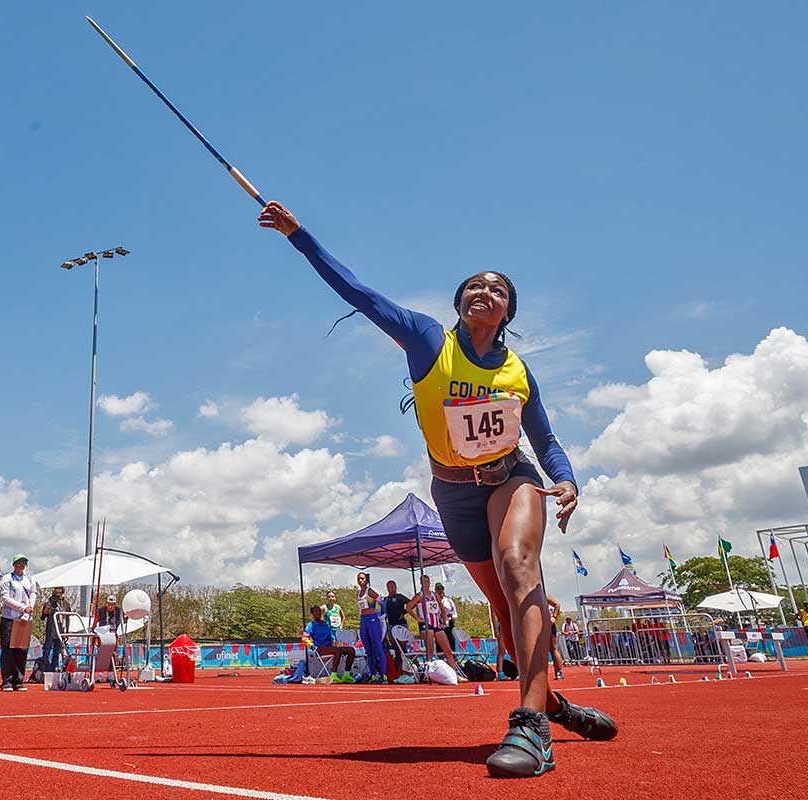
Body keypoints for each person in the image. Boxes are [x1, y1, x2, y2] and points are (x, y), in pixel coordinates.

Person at [260, 201, 617, 778]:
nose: (484, 291)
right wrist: (299, 236)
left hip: (512, 477)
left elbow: (546, 441)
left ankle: (529, 727)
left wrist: (567, 479)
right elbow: (360, 294)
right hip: (453, 492)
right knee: (502, 609)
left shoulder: (519, 372)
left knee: (518, 565)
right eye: (474, 286)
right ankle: (551, 703)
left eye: (497, 289)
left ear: (508, 311)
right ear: (459, 303)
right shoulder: (429, 342)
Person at [407, 578, 462, 679]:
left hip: (436, 624)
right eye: (424, 582)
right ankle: (429, 675)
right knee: (430, 651)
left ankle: (453, 674)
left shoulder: (434, 594)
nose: (426, 584)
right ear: (421, 583)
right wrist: (418, 618)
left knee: (448, 651)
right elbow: (408, 607)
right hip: (426, 624)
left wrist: (445, 622)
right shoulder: (420, 596)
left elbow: (442, 609)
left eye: (427, 581)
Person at [0, 554, 38, 692]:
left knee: (21, 650)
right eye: (19, 563)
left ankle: (18, 680)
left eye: (24, 563)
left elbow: (33, 594)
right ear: (14, 564)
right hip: (10, 618)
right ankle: (7, 682)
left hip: (25, 618)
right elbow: (5, 598)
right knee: (8, 649)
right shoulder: (7, 579)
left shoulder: (30, 579)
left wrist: (29, 609)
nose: (21, 565)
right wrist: (22, 607)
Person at [303, 605, 356, 682]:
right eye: (316, 611)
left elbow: (331, 636)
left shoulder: (325, 624)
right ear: (312, 614)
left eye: (319, 611)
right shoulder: (311, 625)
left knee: (351, 650)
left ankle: (346, 674)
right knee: (337, 651)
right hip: (320, 649)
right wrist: (314, 648)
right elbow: (304, 638)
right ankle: (333, 675)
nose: (318, 613)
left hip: (330, 647)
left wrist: (335, 641)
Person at [355, 572, 387, 683]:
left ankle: (383, 675)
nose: (360, 581)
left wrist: (382, 616)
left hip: (373, 620)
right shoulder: (358, 593)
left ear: (366, 580)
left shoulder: (370, 591)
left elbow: (382, 604)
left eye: (362, 579)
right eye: (359, 579)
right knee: (368, 650)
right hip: (363, 621)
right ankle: (373, 674)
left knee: (378, 648)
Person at [382, 579, 411, 673]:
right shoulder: (386, 599)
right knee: (395, 647)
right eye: (389, 587)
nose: (391, 589)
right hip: (390, 624)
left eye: (392, 586)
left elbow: (411, 603)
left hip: (400, 624)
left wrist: (404, 612)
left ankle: (411, 665)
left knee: (403, 647)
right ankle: (398, 666)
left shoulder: (400, 597)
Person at [40, 585, 71, 671]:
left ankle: (54, 669)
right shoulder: (49, 602)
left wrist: (67, 632)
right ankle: (43, 670)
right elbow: (42, 617)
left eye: (60, 589)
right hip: (51, 630)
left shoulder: (66, 604)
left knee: (57, 652)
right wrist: (47, 608)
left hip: (60, 632)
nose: (58, 591)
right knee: (47, 650)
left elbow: (68, 619)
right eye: (56, 589)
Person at [545, 595, 565, 680]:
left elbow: (557, 604)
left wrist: (554, 616)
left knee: (553, 648)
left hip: (548, 624)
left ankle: (559, 671)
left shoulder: (543, 594)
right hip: (534, 624)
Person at [436, 584, 460, 653]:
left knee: (451, 642)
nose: (440, 591)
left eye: (441, 589)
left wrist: (450, 616)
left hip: (449, 625)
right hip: (439, 624)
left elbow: (455, 614)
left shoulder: (449, 601)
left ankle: (453, 660)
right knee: (440, 644)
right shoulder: (434, 602)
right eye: (438, 589)